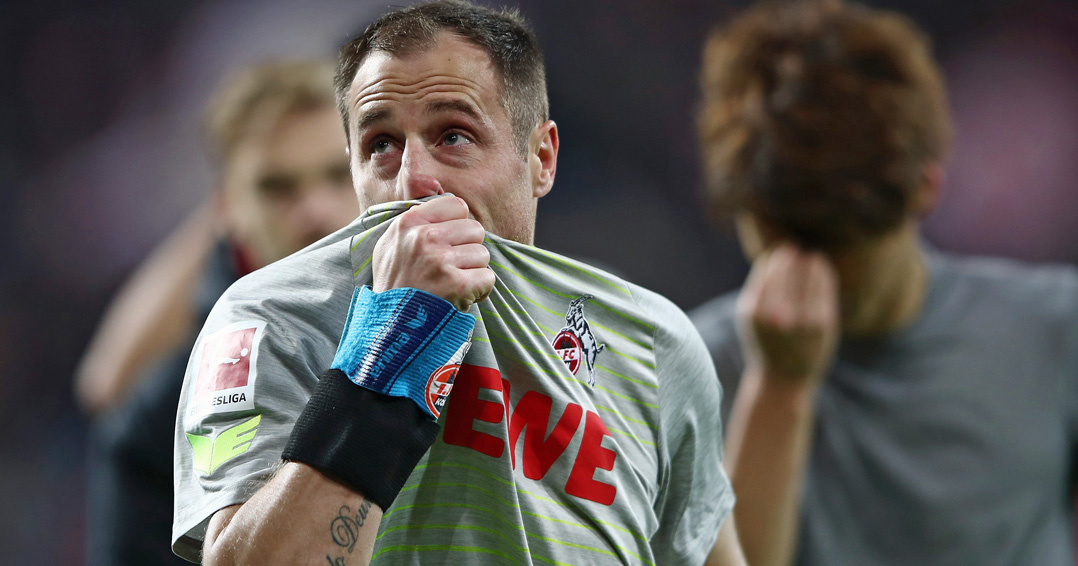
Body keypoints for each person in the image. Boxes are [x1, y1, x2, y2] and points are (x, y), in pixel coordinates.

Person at [171, 1, 746, 565]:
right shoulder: (270, 319)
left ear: (540, 158)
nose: (414, 180)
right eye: (382, 146)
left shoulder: (651, 339)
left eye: (453, 136)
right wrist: (391, 343)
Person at [689, 1, 1078, 565]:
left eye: (840, 242)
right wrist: (779, 388)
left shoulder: (1055, 331)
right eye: (777, 239)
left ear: (925, 187)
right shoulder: (686, 372)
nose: (806, 269)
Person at [83, 59, 360, 566]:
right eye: (277, 188)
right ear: (228, 208)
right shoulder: (157, 423)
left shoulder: (471, 328)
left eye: (339, 175)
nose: (316, 211)